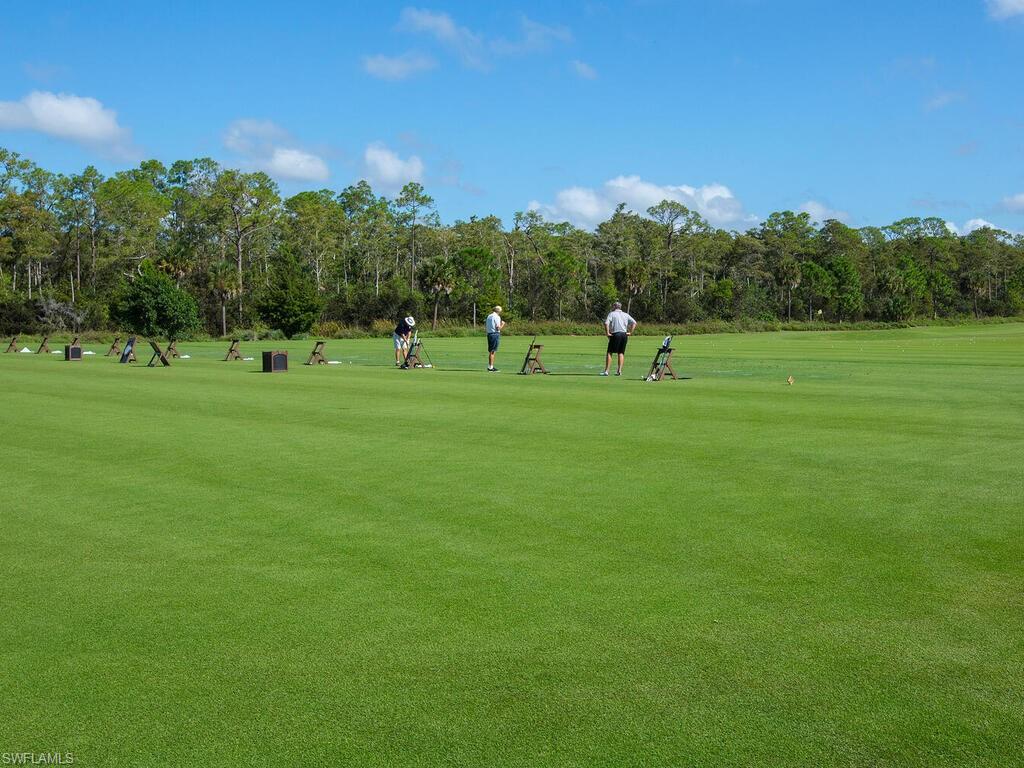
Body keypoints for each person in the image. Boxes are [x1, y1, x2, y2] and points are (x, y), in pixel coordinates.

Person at [602, 301, 637, 376]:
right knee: (621, 353)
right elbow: (634, 323)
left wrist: (607, 333)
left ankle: (607, 371)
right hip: (624, 335)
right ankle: (619, 371)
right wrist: (630, 332)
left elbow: (606, 323)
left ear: (614, 307)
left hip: (616, 334)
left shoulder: (612, 314)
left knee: (609, 352)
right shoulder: (625, 314)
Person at [485, 305, 506, 372]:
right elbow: (498, 328)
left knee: (491, 351)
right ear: (499, 311)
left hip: (489, 334)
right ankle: (491, 367)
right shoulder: (496, 317)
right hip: (495, 334)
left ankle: (490, 366)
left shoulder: (489, 316)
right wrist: (502, 324)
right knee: (493, 351)